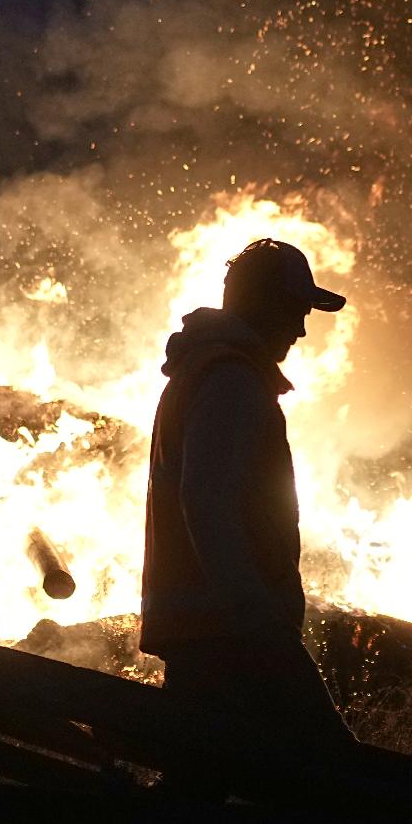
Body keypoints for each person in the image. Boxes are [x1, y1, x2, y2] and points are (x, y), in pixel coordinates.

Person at [140, 237, 354, 744]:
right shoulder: (232, 381)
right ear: (266, 306)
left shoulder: (207, 371)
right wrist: (254, 615)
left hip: (211, 628)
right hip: (231, 632)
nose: (302, 330)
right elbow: (207, 502)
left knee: (202, 785)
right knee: (333, 771)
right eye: (295, 311)